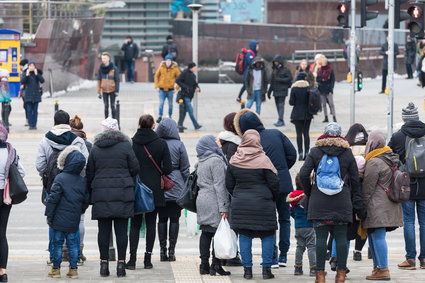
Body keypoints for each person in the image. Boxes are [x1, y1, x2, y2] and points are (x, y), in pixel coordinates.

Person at [299, 122, 365, 283]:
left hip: (319, 200)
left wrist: (310, 192)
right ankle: (341, 274)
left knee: (320, 238)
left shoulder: (315, 151)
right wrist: (357, 205)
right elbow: (355, 181)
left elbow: (303, 174)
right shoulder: (347, 153)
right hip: (341, 200)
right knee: (341, 237)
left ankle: (320, 275)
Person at [234, 109, 297, 267]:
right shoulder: (276, 133)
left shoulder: (249, 141)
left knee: (270, 222)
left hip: (265, 187)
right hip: (283, 183)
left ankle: (273, 257)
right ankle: (283, 255)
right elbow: (292, 154)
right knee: (284, 219)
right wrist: (282, 169)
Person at [86, 117, 140, 278]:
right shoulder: (126, 146)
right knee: (122, 231)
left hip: (101, 194)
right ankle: (121, 265)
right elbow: (135, 168)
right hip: (123, 193)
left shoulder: (96, 148)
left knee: (103, 231)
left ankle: (104, 265)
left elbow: (90, 173)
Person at [36, 110, 89, 266]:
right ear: (68, 123)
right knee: (77, 219)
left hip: (53, 185)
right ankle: (76, 254)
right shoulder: (77, 140)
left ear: (54, 122)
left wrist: (49, 174)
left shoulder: (45, 139)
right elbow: (84, 163)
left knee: (53, 220)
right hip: (74, 185)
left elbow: (39, 165)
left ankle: (55, 257)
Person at [226, 129, 279, 280]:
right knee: (267, 235)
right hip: (263, 204)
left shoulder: (235, 160)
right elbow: (274, 183)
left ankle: (247, 271)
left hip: (241, 203)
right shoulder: (264, 160)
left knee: (244, 236)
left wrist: (237, 195)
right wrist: (272, 197)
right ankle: (266, 270)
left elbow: (228, 183)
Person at [127, 114, 172, 270]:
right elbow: (167, 169)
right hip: (154, 189)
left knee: (135, 224)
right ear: (153, 125)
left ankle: (132, 260)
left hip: (136, 188)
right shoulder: (160, 144)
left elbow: (129, 167)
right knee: (152, 223)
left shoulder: (132, 143)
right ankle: (147, 259)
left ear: (139, 125)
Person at [362, 131, 403, 280]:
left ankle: (383, 269)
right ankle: (377, 268)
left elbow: (368, 187)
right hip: (390, 203)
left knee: (377, 236)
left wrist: (362, 205)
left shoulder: (374, 161)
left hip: (377, 205)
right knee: (374, 236)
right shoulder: (392, 158)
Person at [389, 102, 425, 270]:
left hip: (406, 185)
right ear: (417, 117)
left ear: (404, 118)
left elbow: (389, 157)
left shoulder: (398, 136)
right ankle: (424, 259)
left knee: (409, 221)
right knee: (424, 223)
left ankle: (410, 259)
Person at [45, 146, 89, 279]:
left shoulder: (60, 178)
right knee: (73, 244)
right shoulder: (82, 181)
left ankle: (56, 269)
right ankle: (73, 270)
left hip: (58, 217)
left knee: (57, 243)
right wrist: (80, 210)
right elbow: (86, 200)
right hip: (74, 218)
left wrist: (49, 214)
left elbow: (53, 199)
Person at [196, 135, 230, 276]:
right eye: (215, 140)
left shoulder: (201, 161)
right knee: (218, 233)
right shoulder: (215, 160)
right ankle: (216, 265)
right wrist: (224, 206)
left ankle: (204, 265)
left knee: (206, 233)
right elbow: (220, 186)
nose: (218, 141)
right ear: (209, 144)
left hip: (202, 199)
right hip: (213, 200)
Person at [156, 118, 190, 262]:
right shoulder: (179, 144)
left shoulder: (157, 143)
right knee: (175, 218)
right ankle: (171, 250)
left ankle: (162, 250)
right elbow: (185, 168)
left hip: (161, 184)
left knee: (162, 218)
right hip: (176, 185)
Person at [0, 122, 25, 283]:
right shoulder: (10, 151)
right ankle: (2, 271)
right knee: (1, 234)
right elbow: (21, 171)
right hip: (5, 196)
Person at [69, 115, 92, 264]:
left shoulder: (66, 141)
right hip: (83, 184)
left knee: (64, 219)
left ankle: (66, 250)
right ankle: (80, 249)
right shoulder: (88, 144)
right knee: (81, 219)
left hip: (67, 183)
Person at [345, 123, 369, 261]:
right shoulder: (368, 148)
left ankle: (334, 252)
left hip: (348, 186)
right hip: (364, 186)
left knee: (346, 222)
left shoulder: (346, 147)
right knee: (362, 220)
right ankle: (358, 251)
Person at [286, 180, 316, 277]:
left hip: (298, 226)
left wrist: (297, 218)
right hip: (309, 225)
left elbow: (290, 211)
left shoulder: (292, 196)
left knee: (300, 247)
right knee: (311, 247)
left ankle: (298, 268)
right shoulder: (308, 195)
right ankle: (313, 269)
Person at [289, 72, 313, 161]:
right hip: (307, 114)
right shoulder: (309, 88)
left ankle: (300, 153)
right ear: (305, 78)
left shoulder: (294, 88)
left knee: (298, 134)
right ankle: (307, 153)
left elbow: (291, 102)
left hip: (297, 114)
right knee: (306, 133)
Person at [154, 54, 181, 123]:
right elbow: (156, 76)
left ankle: (170, 116)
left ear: (171, 61)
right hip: (162, 89)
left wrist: (177, 88)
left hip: (170, 90)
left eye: (169, 60)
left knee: (170, 104)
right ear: (165, 61)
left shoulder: (175, 68)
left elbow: (180, 78)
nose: (168, 62)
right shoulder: (161, 67)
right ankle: (160, 116)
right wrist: (156, 86)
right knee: (161, 103)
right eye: (167, 60)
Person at [175, 62, 202, 131]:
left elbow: (195, 84)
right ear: (191, 67)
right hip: (185, 95)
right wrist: (185, 87)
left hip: (190, 96)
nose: (195, 68)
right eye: (194, 67)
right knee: (190, 111)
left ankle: (179, 124)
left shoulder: (193, 75)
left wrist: (198, 88)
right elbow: (177, 80)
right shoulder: (184, 73)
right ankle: (196, 125)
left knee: (183, 112)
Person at [267, 55, 292, 127]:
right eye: (274, 62)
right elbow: (272, 82)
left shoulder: (285, 69)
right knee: (277, 105)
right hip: (275, 90)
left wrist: (280, 79)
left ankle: (281, 120)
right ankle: (280, 120)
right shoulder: (274, 70)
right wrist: (269, 91)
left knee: (281, 105)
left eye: (276, 62)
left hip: (283, 90)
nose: (275, 63)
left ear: (280, 62)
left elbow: (289, 78)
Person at [20, 61, 44, 130]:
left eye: (33, 66)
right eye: (30, 66)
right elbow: (22, 82)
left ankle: (34, 125)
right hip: (28, 95)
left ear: (35, 67)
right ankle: (31, 125)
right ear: (28, 67)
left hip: (36, 95)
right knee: (29, 111)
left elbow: (42, 80)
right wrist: (27, 75)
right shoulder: (25, 73)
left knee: (35, 111)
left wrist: (37, 74)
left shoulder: (37, 73)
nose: (31, 67)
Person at [96, 52, 120, 119]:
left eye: (105, 58)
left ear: (108, 58)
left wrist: (117, 90)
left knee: (113, 106)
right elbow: (99, 80)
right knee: (106, 106)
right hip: (104, 90)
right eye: (102, 58)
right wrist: (98, 92)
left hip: (112, 90)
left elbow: (117, 80)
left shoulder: (114, 68)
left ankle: (114, 121)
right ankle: (106, 121)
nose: (103, 60)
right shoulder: (100, 69)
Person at [316, 55, 336, 123]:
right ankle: (326, 117)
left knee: (331, 103)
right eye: (322, 61)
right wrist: (321, 80)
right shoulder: (319, 70)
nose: (323, 63)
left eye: (324, 61)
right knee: (323, 104)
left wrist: (331, 88)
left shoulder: (330, 70)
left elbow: (332, 80)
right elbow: (317, 79)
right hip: (321, 89)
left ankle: (334, 117)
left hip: (328, 88)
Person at [19, 59, 29, 127]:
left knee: (27, 106)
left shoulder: (26, 71)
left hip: (27, 92)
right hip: (24, 91)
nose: (20, 67)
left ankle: (28, 120)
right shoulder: (23, 71)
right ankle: (28, 120)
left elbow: (23, 81)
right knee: (26, 106)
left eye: (20, 66)